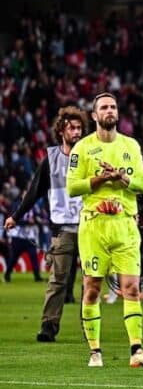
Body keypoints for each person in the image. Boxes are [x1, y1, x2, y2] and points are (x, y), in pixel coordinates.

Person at [66, 92, 143, 368]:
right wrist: (99, 179)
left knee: (131, 289)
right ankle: (95, 352)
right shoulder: (81, 148)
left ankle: (137, 351)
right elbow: (72, 187)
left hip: (126, 225)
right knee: (91, 288)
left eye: (113, 107)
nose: (109, 110)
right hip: (95, 226)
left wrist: (122, 177)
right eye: (104, 107)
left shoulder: (131, 145)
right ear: (94, 116)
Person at [4, 105, 86, 341]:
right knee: (57, 281)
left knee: (90, 282)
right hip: (62, 228)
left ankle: (90, 329)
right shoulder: (50, 159)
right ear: (61, 130)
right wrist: (16, 216)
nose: (77, 132)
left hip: (90, 227)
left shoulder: (91, 154)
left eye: (80, 127)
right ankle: (48, 327)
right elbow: (34, 192)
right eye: (72, 128)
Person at [4, 204, 43, 282]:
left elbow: (39, 217)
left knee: (33, 256)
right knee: (14, 258)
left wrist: (36, 220)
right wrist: (26, 222)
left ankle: (37, 277)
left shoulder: (34, 206)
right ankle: (7, 274)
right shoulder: (16, 205)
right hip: (18, 236)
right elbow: (13, 219)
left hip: (30, 236)